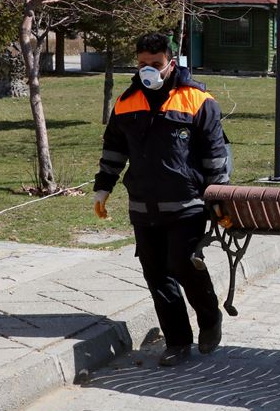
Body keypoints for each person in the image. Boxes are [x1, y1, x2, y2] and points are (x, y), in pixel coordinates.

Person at [93, 32, 230, 367]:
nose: (148, 70)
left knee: (183, 264)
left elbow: (215, 156)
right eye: (142, 64)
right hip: (143, 205)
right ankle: (177, 341)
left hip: (188, 205)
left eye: (155, 64)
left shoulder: (198, 101)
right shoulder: (126, 102)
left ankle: (210, 317)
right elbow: (113, 149)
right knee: (156, 274)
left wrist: (220, 199)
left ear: (171, 63)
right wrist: (103, 187)